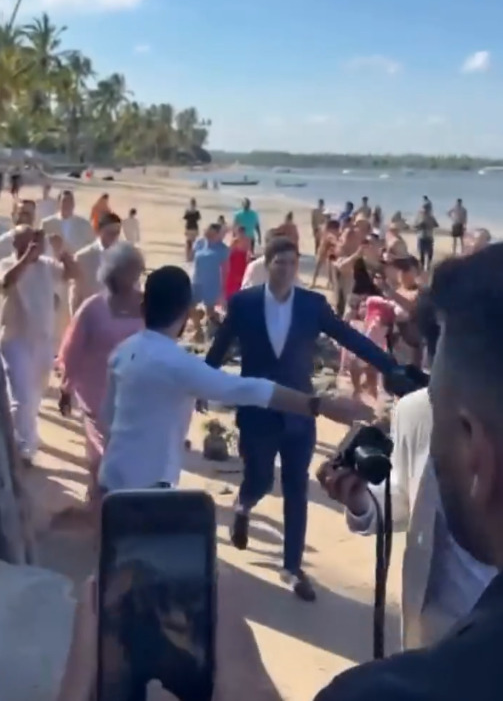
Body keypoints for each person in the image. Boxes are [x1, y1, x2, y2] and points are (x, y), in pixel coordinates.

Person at [314, 243, 503, 701]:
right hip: (427, 620)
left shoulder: (381, 693)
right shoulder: (417, 411)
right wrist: (362, 503)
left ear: (474, 444)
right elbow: (403, 497)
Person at [206, 236, 400, 601]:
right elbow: (220, 346)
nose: (286, 270)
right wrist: (201, 383)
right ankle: (243, 506)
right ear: (266, 264)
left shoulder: (312, 305)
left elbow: (349, 337)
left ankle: (292, 568)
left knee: (296, 488)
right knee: (260, 479)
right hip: (258, 412)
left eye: (292, 264)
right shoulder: (244, 303)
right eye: (279, 263)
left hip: (301, 415)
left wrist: (391, 367)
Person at [98, 265, 356, 497]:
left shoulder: (122, 351)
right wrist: (318, 405)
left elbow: (107, 418)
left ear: (143, 308)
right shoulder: (178, 364)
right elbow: (247, 389)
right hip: (147, 490)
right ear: (186, 313)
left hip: (110, 478)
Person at [59, 243, 144, 501]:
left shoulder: (147, 305)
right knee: (102, 452)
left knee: (128, 454)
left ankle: (116, 500)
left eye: (134, 271)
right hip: (96, 391)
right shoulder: (93, 307)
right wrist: (66, 388)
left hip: (136, 393)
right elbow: (72, 349)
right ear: (111, 273)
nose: (131, 277)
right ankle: (98, 501)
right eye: (126, 270)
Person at [0, 226, 78, 464]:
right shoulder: (7, 264)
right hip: (15, 339)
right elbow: (6, 283)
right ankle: (25, 446)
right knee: (22, 396)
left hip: (43, 341)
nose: (34, 244)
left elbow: (72, 274)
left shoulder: (47, 265)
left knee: (35, 394)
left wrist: (62, 252)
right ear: (16, 243)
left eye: (35, 240)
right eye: (27, 241)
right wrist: (26, 258)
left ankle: (25, 435)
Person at [41, 190, 95, 343]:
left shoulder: (84, 224)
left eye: (70, 201)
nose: (67, 205)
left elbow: (90, 248)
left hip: (76, 273)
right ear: (58, 203)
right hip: (54, 273)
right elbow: (42, 247)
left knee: (71, 312)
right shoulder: (47, 223)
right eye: (64, 201)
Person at [70, 212, 122, 314]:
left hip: (118, 317)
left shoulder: (126, 256)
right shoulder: (83, 257)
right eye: (110, 232)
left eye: (117, 233)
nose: (114, 236)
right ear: (99, 231)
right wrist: (75, 317)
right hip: (91, 316)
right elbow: (75, 293)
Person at [190, 223, 229, 336]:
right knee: (189, 305)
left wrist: (222, 289)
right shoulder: (199, 243)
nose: (207, 234)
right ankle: (198, 329)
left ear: (217, 234)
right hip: (196, 280)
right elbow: (191, 258)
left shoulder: (223, 249)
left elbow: (225, 270)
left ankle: (211, 330)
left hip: (212, 281)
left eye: (210, 232)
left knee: (210, 310)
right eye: (206, 231)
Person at [225, 226, 250, 301]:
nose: (241, 234)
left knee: (239, 281)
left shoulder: (245, 240)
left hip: (240, 262)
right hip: (235, 262)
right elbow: (229, 253)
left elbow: (248, 252)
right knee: (234, 282)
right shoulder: (236, 241)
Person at [414, 201, 438, 272]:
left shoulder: (431, 217)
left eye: (428, 208)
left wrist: (429, 225)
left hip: (428, 237)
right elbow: (415, 225)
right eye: (426, 208)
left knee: (429, 253)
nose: (427, 210)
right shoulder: (420, 216)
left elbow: (436, 225)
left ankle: (427, 266)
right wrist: (421, 225)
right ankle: (422, 268)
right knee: (422, 254)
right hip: (422, 237)